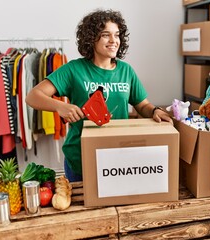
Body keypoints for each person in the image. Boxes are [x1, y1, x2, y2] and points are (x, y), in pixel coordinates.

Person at [25, 9, 172, 182]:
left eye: (117, 35)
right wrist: (60, 106)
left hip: (117, 157)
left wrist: (155, 110)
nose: (113, 41)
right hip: (80, 158)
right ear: (91, 38)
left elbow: (142, 106)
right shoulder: (74, 69)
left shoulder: (126, 71)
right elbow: (33, 96)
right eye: (105, 35)